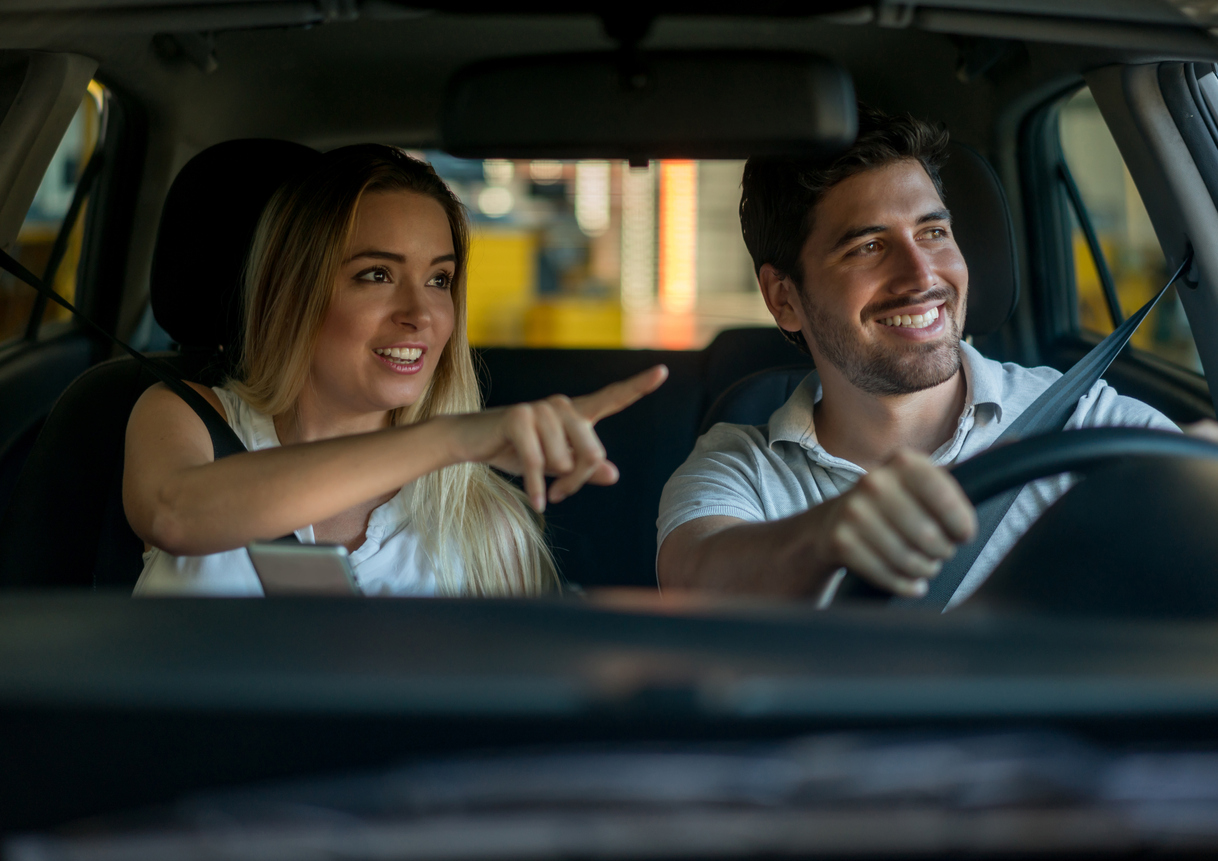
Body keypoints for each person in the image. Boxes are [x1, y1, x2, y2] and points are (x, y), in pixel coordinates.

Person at [656, 108, 1183, 608]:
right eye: (867, 247)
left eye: (933, 233)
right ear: (783, 298)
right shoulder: (744, 471)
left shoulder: (1085, 423)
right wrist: (826, 534)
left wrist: (1196, 494)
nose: (923, 276)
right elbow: (696, 579)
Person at [124, 145, 666, 596]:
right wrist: (450, 438)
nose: (421, 314)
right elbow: (175, 515)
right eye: (377, 274)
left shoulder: (488, 529)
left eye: (439, 280)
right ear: (290, 290)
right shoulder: (192, 418)